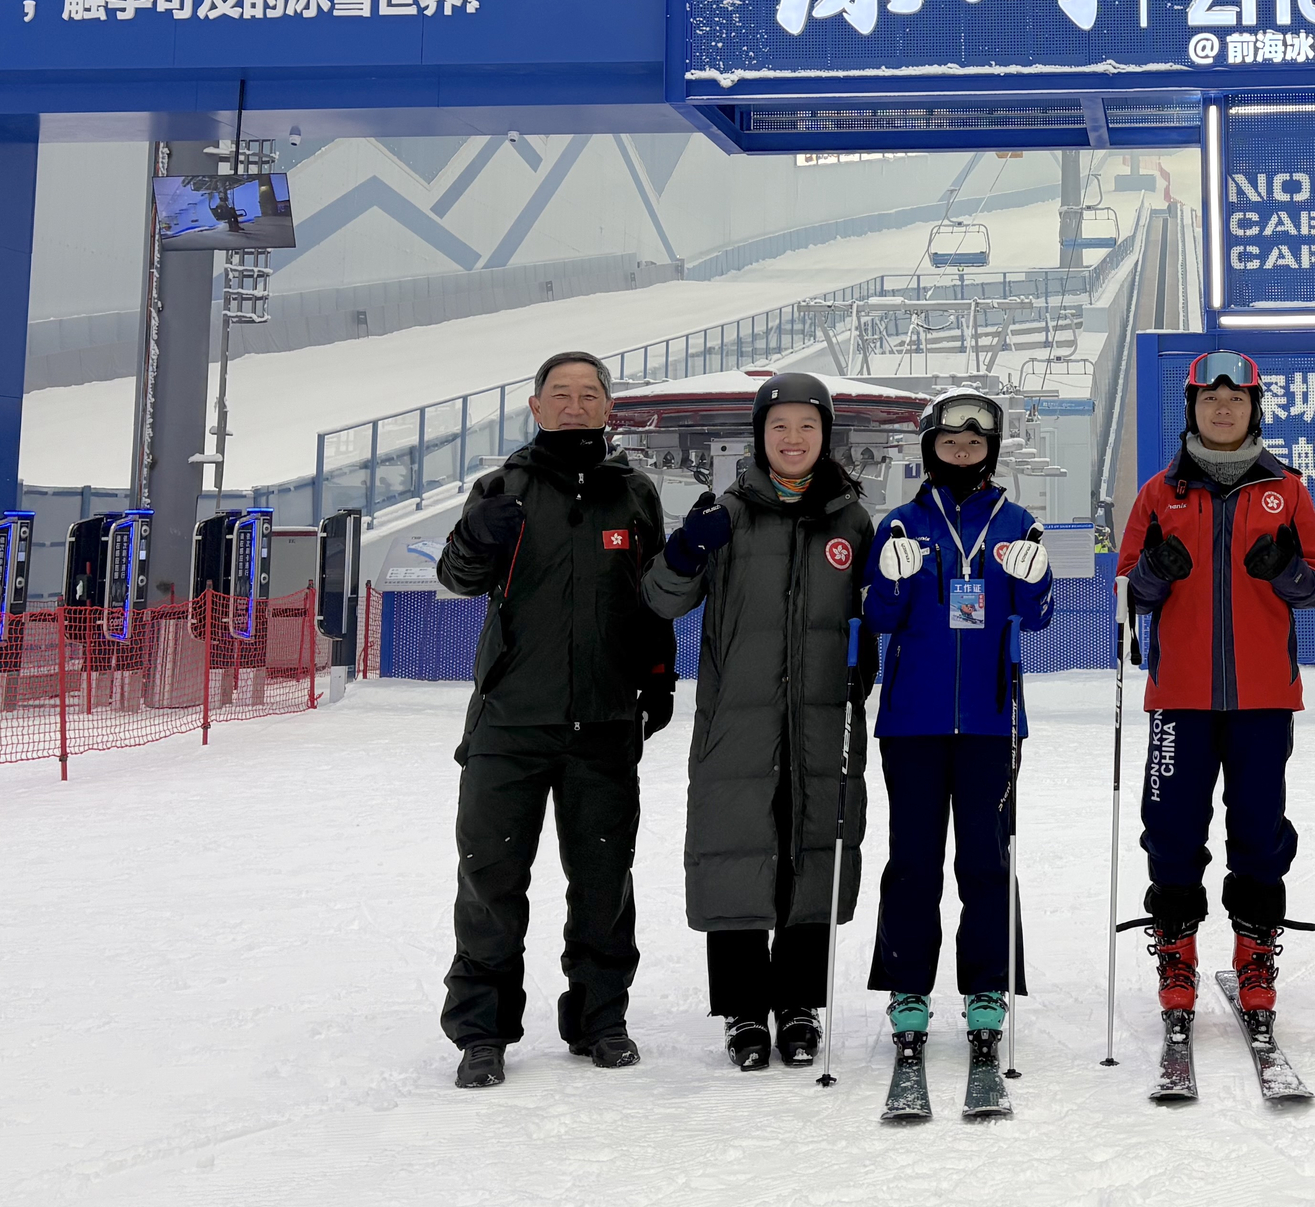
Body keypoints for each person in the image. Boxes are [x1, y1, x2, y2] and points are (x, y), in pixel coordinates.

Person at [436, 352, 678, 1090]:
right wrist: (477, 534)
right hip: (510, 725)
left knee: (604, 882)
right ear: (536, 407)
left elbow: (652, 598)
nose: (575, 405)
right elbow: (456, 579)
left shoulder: (634, 494)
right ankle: (482, 1032)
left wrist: (659, 676)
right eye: (561, 394)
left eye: (589, 394)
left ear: (609, 409)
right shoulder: (502, 489)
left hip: (603, 725)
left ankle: (601, 1019)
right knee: (491, 880)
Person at [645, 371, 875, 1071]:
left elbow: (876, 608)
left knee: (813, 845)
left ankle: (798, 1003)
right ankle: (745, 1009)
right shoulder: (728, 514)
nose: (794, 439)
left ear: (826, 436)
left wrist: (866, 662)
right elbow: (661, 599)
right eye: (781, 427)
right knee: (736, 853)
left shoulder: (850, 520)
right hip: (737, 722)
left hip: (821, 717)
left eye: (808, 427)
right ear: (760, 437)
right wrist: (686, 550)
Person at [1118, 351, 1315, 1035]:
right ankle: (1177, 958)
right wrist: (1153, 571)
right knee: (1172, 830)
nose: (1223, 409)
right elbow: (1131, 597)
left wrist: (1286, 570)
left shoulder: (1287, 490)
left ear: (1253, 408)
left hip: (1264, 697)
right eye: (1210, 400)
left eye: (1235, 400)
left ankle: (1254, 956)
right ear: (1193, 409)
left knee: (1260, 833)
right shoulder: (1161, 493)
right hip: (1179, 695)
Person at [862, 389, 1056, 1062]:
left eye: (975, 445)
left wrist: (1036, 581)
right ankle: (907, 987)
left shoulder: (1018, 523)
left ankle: (987, 988)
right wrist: (884, 585)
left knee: (985, 860)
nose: (962, 453)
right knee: (913, 861)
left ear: (991, 453)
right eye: (950, 444)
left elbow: (1037, 616)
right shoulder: (897, 527)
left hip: (991, 722)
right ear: (930, 449)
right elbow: (881, 620)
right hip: (912, 722)